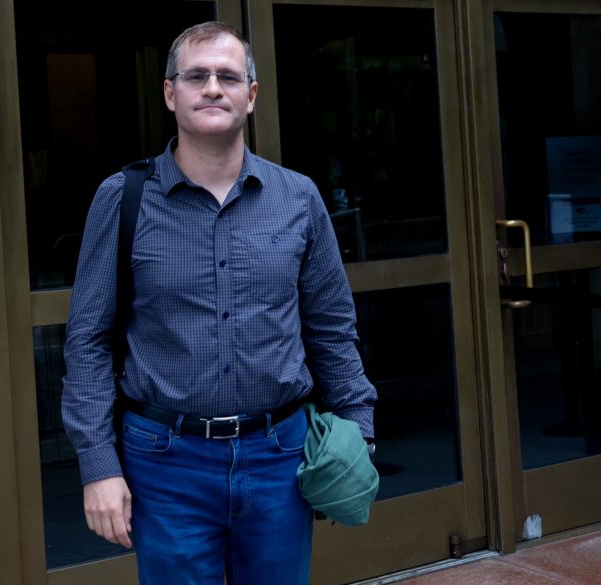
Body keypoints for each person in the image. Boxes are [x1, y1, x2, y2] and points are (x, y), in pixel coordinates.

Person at [61, 21, 376, 585]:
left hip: (282, 456)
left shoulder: (297, 197)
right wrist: (98, 465)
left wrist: (359, 431)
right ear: (169, 92)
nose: (212, 87)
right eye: (196, 75)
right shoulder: (122, 198)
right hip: (166, 461)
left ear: (250, 96)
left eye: (228, 76)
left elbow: (331, 328)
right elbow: (87, 338)